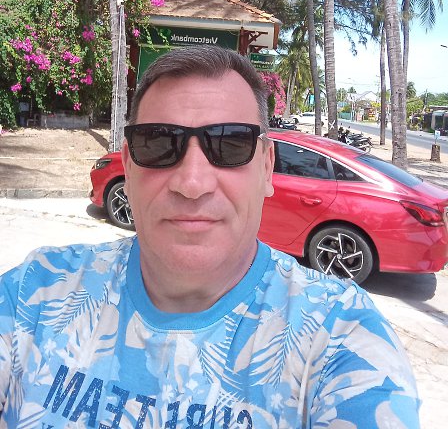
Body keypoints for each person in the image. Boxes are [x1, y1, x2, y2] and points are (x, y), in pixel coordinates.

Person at [0, 45, 419, 428]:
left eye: (230, 144)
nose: (192, 183)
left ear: (267, 167)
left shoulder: (340, 337)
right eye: (158, 143)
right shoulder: (35, 293)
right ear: (127, 165)